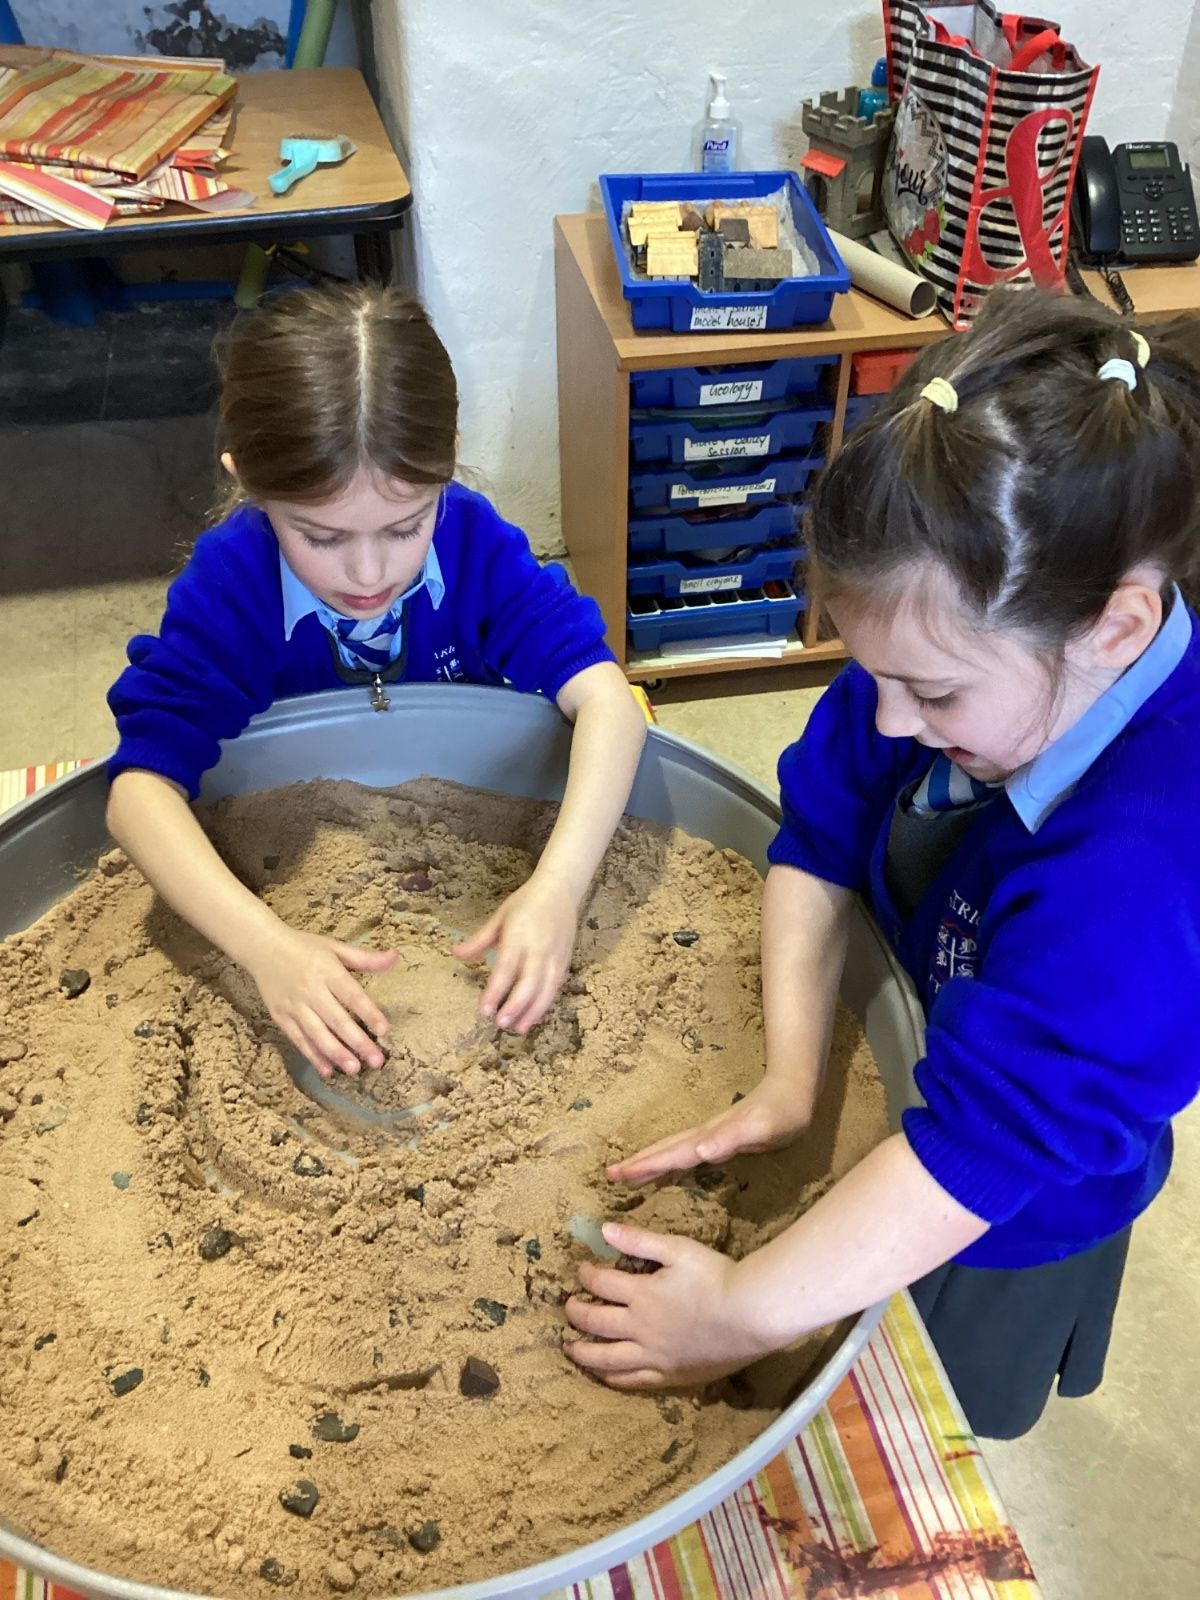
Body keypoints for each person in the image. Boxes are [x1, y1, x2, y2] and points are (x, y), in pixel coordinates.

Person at [564, 288, 1200, 1439]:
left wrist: (735, 1314)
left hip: (1022, 1208)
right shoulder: (942, 649)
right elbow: (818, 835)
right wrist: (790, 1074)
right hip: (941, 1055)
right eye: (874, 675)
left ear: (1114, 630)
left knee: (942, 1393)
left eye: (935, 693)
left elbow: (981, 1153)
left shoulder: (1145, 881)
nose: (892, 718)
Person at [106, 284, 645, 1083]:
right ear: (249, 482)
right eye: (320, 536)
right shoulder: (232, 585)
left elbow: (607, 699)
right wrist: (265, 946)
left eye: (403, 527)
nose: (367, 574)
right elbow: (137, 792)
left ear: (446, 463)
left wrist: (559, 887)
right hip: (295, 841)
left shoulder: (473, 543)